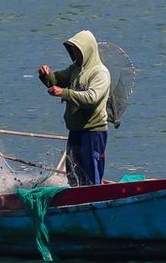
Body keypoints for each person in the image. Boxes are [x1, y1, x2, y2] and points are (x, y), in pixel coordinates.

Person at [37, 30, 112, 186]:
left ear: (87, 50)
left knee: (90, 176)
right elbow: (57, 80)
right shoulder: (75, 69)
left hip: (92, 132)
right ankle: (75, 198)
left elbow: (92, 98)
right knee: (73, 175)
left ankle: (94, 197)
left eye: (77, 51)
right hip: (75, 130)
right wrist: (46, 74)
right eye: (73, 51)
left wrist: (64, 93)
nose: (74, 54)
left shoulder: (100, 73)